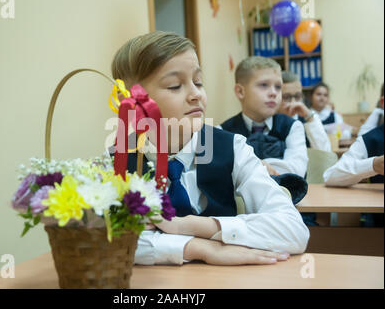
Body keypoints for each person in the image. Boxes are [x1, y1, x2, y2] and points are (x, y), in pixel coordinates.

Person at [110, 31, 309, 266]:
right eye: (175, 86)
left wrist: (191, 226)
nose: (196, 94)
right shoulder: (118, 159)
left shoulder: (233, 148)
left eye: (198, 82)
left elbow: (294, 231)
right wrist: (198, 248)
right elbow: (109, 240)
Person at [220, 56, 308, 178]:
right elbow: (216, 175)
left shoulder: (293, 126)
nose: (273, 93)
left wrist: (247, 166)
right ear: (240, 92)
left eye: (278, 87)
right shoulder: (222, 131)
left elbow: (296, 171)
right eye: (264, 85)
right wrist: (262, 166)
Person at [278, 71, 331, 152]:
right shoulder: (269, 121)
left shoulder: (306, 119)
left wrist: (309, 117)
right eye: (286, 97)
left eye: (297, 96)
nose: (293, 103)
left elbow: (325, 152)